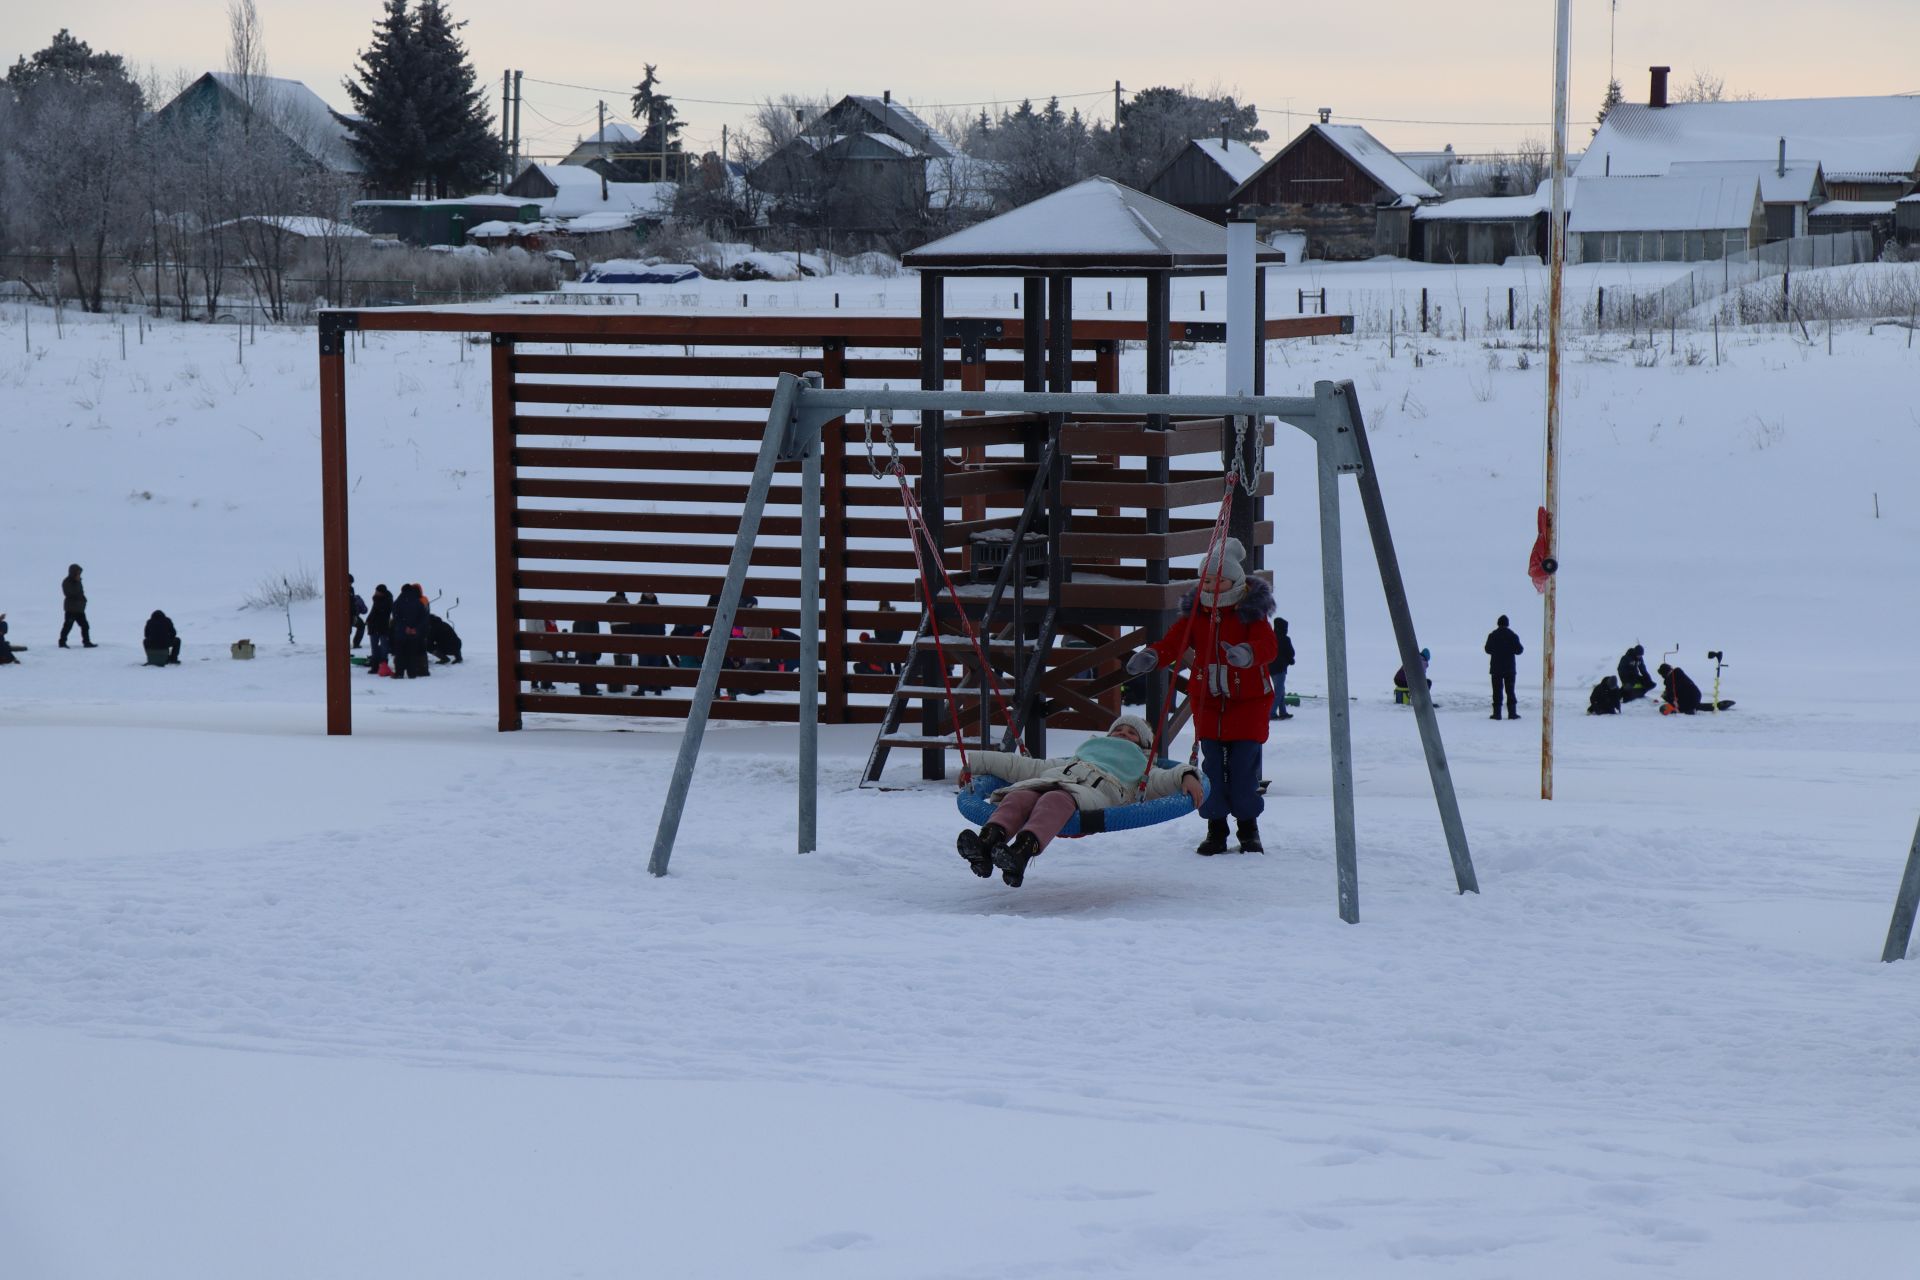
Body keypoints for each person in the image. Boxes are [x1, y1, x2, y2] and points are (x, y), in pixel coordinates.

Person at [1126, 537, 1277, 856]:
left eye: (1217, 580)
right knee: (1211, 771)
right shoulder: (1196, 614)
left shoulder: (1251, 614)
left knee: (1242, 770)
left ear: (1233, 581)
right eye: (1206, 580)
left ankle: (1248, 828)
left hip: (1247, 703)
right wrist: (1153, 655)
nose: (1211, 585)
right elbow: (1174, 641)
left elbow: (1268, 646)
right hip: (1209, 702)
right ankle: (1216, 829)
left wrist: (1247, 653)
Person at [956, 714, 1203, 887]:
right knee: (1018, 796)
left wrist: (1187, 774)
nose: (1123, 735)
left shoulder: (1143, 768)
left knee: (1054, 799)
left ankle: (1020, 853)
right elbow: (1024, 766)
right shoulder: (1076, 759)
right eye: (1118, 730)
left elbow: (1165, 779)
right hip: (1055, 780)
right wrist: (975, 763)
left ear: (1144, 747)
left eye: (1132, 734)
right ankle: (986, 845)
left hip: (1093, 794)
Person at [1484, 614, 1524, 720]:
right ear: (1507, 624)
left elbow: (1487, 649)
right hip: (1509, 669)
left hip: (1496, 668)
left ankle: (1497, 714)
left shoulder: (1493, 635)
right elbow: (1519, 650)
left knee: (1497, 690)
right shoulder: (1512, 635)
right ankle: (1512, 713)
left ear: (1498, 623)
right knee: (1510, 690)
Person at [390, 583, 431, 678]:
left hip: (401, 633)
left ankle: (399, 673)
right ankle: (412, 673)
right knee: (412, 654)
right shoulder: (418, 602)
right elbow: (424, 618)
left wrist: (405, 628)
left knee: (400, 654)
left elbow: (396, 617)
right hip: (414, 634)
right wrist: (415, 629)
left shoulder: (398, 602)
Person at [633, 592, 669, 694]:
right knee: (648, 666)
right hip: (646, 641)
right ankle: (645, 689)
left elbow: (662, 625)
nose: (650, 594)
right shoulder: (652, 606)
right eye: (648, 592)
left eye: (651, 593)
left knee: (652, 666)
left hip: (652, 641)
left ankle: (652, 689)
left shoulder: (642, 606)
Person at [606, 591, 636, 694]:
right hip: (626, 630)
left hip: (614, 630)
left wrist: (613, 622)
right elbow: (632, 618)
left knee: (617, 656)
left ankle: (616, 681)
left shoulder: (610, 603)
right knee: (625, 656)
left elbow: (606, 616)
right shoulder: (626, 604)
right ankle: (623, 683)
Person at [59, 563, 94, 648]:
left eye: (79, 573)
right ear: (73, 572)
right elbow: (69, 593)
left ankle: (87, 642)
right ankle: (62, 642)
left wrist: (83, 599)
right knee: (68, 626)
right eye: (78, 572)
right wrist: (79, 597)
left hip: (79, 609)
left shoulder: (78, 581)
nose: (79, 574)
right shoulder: (67, 581)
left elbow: (80, 593)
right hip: (71, 609)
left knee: (85, 625)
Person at [1269, 616, 1296, 720]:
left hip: (1271, 668)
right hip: (1280, 669)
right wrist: (1290, 660)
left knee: (1280, 690)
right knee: (1279, 691)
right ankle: (1271, 713)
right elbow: (1291, 653)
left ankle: (1283, 711)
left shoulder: (1271, 637)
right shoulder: (1285, 639)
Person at [365, 584, 394, 676]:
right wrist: (368, 619)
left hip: (382, 627)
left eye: (377, 592)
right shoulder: (379, 599)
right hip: (375, 626)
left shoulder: (385, 600)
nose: (375, 593)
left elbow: (380, 609)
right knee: (375, 647)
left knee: (383, 647)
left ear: (382, 593)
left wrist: (376, 600)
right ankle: (376, 666)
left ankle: (381, 666)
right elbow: (373, 611)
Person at [571, 615, 602, 695]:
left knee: (582, 673)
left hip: (580, 653)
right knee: (591, 672)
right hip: (590, 652)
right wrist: (597, 652)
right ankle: (592, 693)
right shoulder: (593, 621)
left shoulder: (576, 622)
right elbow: (596, 637)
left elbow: (574, 638)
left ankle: (584, 692)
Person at [348, 574, 367, 650]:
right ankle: (344, 646)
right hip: (346, 614)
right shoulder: (342, 589)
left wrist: (355, 615)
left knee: (361, 625)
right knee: (347, 631)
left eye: (351, 583)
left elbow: (352, 603)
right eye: (349, 582)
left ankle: (356, 643)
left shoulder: (351, 589)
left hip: (352, 614)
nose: (350, 584)